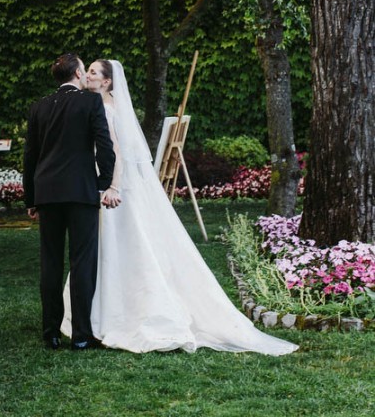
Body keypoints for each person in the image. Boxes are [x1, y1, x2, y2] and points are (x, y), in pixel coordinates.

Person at [62, 59, 298, 356]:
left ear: (107, 82)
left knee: (118, 247)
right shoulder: (105, 106)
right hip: (116, 187)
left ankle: (122, 315)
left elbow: (116, 153)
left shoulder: (105, 109)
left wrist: (112, 187)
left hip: (115, 191)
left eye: (94, 73)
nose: (87, 76)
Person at [24, 53, 121, 350]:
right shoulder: (91, 103)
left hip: (48, 194)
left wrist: (31, 198)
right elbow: (105, 146)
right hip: (81, 192)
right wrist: (104, 183)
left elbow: (30, 157)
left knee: (50, 262)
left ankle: (50, 332)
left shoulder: (39, 107)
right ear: (78, 74)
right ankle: (81, 334)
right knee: (82, 263)